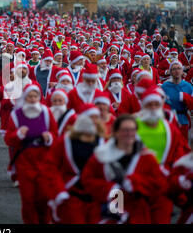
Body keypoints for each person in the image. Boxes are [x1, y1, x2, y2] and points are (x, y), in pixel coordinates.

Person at [82, 115, 170, 224]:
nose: (129, 133)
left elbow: (160, 184)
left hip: (137, 212)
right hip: (108, 210)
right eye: (125, 130)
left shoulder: (146, 157)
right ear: (115, 132)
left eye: (133, 130)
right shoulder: (101, 155)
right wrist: (112, 189)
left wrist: (135, 182)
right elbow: (87, 180)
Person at [135, 88, 191, 223]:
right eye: (149, 104)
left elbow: (179, 152)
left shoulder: (170, 128)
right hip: (137, 186)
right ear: (143, 105)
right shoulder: (132, 126)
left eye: (156, 104)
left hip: (162, 186)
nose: (153, 108)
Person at [4, 84, 58, 223]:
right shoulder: (16, 115)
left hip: (44, 161)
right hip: (25, 161)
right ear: (25, 97)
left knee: (44, 198)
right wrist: (18, 134)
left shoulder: (46, 112)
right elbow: (8, 138)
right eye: (30, 96)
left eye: (35, 96)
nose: (33, 99)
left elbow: (56, 134)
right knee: (28, 200)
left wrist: (49, 137)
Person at [43, 114, 103, 224]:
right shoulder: (65, 141)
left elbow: (116, 177)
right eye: (91, 117)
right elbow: (50, 167)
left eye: (96, 117)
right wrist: (58, 192)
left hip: (97, 200)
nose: (94, 121)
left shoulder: (105, 142)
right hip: (73, 195)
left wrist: (117, 209)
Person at [161, 61, 193, 137]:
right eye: (174, 69)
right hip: (169, 120)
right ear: (170, 72)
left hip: (183, 119)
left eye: (179, 68)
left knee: (183, 145)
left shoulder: (188, 86)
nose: (177, 71)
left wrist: (187, 99)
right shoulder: (165, 86)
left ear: (182, 71)